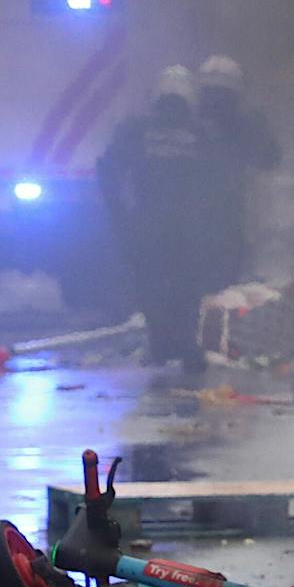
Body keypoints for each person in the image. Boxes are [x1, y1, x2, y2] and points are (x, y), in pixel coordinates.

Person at [100, 65, 210, 374]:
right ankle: (187, 346)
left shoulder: (136, 130)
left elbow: (108, 168)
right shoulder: (200, 133)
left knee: (151, 285)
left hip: (147, 222)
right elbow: (218, 180)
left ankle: (162, 343)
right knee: (187, 287)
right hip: (188, 226)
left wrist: (119, 212)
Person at [195, 54, 281, 291]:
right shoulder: (245, 124)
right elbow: (271, 158)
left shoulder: (192, 123)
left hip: (198, 221)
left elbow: (269, 158)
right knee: (224, 289)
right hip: (227, 220)